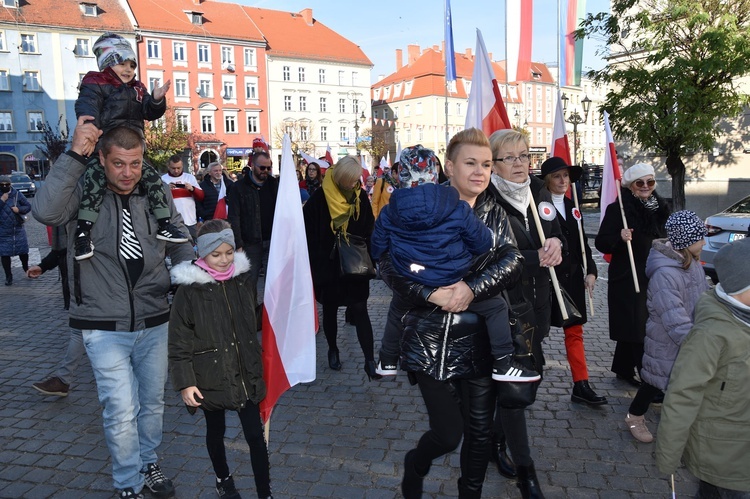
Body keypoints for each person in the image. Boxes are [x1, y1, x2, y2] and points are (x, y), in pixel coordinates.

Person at [32, 119, 195, 499]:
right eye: (119, 163)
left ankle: (149, 462)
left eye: (135, 164)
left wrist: (190, 270)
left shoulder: (154, 193)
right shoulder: (80, 193)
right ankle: (128, 482)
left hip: (155, 318)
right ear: (102, 159)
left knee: (152, 404)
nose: (128, 173)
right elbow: (45, 211)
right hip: (102, 323)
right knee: (121, 409)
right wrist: (74, 155)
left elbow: (177, 236)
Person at [379, 128, 524, 498]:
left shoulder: (495, 212)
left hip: (478, 340)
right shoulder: (409, 209)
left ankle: (469, 493)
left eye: (487, 165)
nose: (480, 172)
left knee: (479, 431)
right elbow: (384, 265)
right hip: (428, 340)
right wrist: (431, 293)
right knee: (447, 433)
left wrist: (470, 288)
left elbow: (512, 260)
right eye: (471, 163)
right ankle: (417, 463)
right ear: (448, 167)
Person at [371, 144, 539, 382]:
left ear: (400, 175)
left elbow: (378, 248)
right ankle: (503, 362)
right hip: (453, 278)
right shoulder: (457, 206)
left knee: (397, 308)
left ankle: (387, 360)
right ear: (438, 170)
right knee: (496, 308)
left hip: (415, 278)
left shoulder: (389, 211)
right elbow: (481, 243)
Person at [168, 220, 272, 499]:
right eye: (216, 254)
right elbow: (179, 341)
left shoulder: (243, 281)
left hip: (245, 372)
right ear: (202, 254)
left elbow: (251, 321)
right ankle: (223, 478)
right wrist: (185, 382)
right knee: (216, 430)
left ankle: (265, 492)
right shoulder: (189, 291)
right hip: (210, 375)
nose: (224, 260)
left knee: (255, 436)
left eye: (229, 252)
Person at [488, 130, 564, 498]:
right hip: (505, 312)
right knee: (516, 391)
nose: (520, 164)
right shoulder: (485, 202)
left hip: (539, 306)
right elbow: (491, 262)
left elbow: (557, 229)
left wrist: (557, 242)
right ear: (494, 163)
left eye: (524, 155)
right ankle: (525, 471)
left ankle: (493, 438)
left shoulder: (538, 192)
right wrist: (537, 258)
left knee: (524, 387)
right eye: (510, 157)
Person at [73, 32, 187, 261]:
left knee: (153, 179)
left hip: (133, 145)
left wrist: (156, 99)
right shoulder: (96, 82)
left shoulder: (137, 87)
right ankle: (83, 233)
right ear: (107, 63)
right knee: (93, 184)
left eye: (132, 65)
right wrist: (88, 122)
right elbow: (88, 103)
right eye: (122, 64)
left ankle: (165, 223)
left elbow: (149, 112)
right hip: (106, 146)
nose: (128, 70)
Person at [655, 237, 750, 498]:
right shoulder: (712, 334)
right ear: (741, 288)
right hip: (724, 452)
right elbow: (684, 392)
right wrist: (669, 453)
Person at [625, 210, 709, 443]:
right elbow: (674, 317)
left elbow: (702, 296)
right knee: (654, 380)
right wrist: (697, 342)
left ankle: (684, 426)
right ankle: (635, 415)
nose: (704, 241)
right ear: (686, 240)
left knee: (682, 384)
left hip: (691, 336)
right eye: (700, 237)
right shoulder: (665, 274)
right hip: (668, 340)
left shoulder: (692, 264)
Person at [303, 156, 380, 380]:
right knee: (330, 309)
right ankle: (333, 349)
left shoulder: (359, 196)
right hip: (327, 264)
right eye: (349, 180)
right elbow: (308, 232)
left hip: (355, 264)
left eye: (355, 180)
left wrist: (365, 250)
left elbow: (369, 226)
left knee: (360, 310)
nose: (352, 184)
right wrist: (317, 260)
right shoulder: (319, 198)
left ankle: (369, 360)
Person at [595, 163, 670, 387]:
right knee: (639, 326)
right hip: (629, 277)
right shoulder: (619, 210)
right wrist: (619, 237)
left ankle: (623, 367)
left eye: (650, 182)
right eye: (640, 183)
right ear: (631, 186)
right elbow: (602, 242)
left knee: (636, 324)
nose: (646, 186)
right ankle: (648, 379)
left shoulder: (661, 209)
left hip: (653, 275)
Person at [540, 157, 607, 406]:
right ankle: (522, 381)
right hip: (546, 279)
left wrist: (590, 271)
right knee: (535, 332)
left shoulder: (573, 207)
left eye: (566, 176)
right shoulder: (536, 207)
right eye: (557, 176)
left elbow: (582, 245)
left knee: (575, 332)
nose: (563, 181)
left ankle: (581, 384)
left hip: (572, 280)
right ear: (547, 180)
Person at [28, 240, 87, 398]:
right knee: (81, 331)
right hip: (79, 284)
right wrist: (43, 266)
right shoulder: (67, 223)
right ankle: (63, 379)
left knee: (80, 331)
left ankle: (63, 379)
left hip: (94, 286)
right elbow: (63, 248)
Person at [227, 150, 279, 289]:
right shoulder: (238, 187)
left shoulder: (274, 184)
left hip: (272, 241)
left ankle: (268, 311)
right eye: (262, 167)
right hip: (250, 242)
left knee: (274, 284)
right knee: (249, 283)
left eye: (268, 168)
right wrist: (238, 244)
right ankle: (250, 310)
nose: (266, 171)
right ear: (253, 166)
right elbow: (233, 217)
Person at [161, 155, 204, 241]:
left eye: (179, 168)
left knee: (193, 246)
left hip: (190, 220)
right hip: (172, 222)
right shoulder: (163, 179)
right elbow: (158, 201)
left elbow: (201, 197)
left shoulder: (189, 177)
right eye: (173, 168)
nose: (176, 171)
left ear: (182, 166)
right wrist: (165, 190)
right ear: (168, 166)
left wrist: (192, 189)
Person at [0, 174, 31, 285]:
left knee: (23, 251)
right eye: (2, 185)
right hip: (3, 230)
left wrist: (19, 209)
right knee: (5, 254)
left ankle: (26, 269)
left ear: (10, 184)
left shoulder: (17, 194)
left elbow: (28, 206)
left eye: (7, 184)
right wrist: (2, 201)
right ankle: (9, 276)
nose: (4, 186)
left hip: (17, 229)